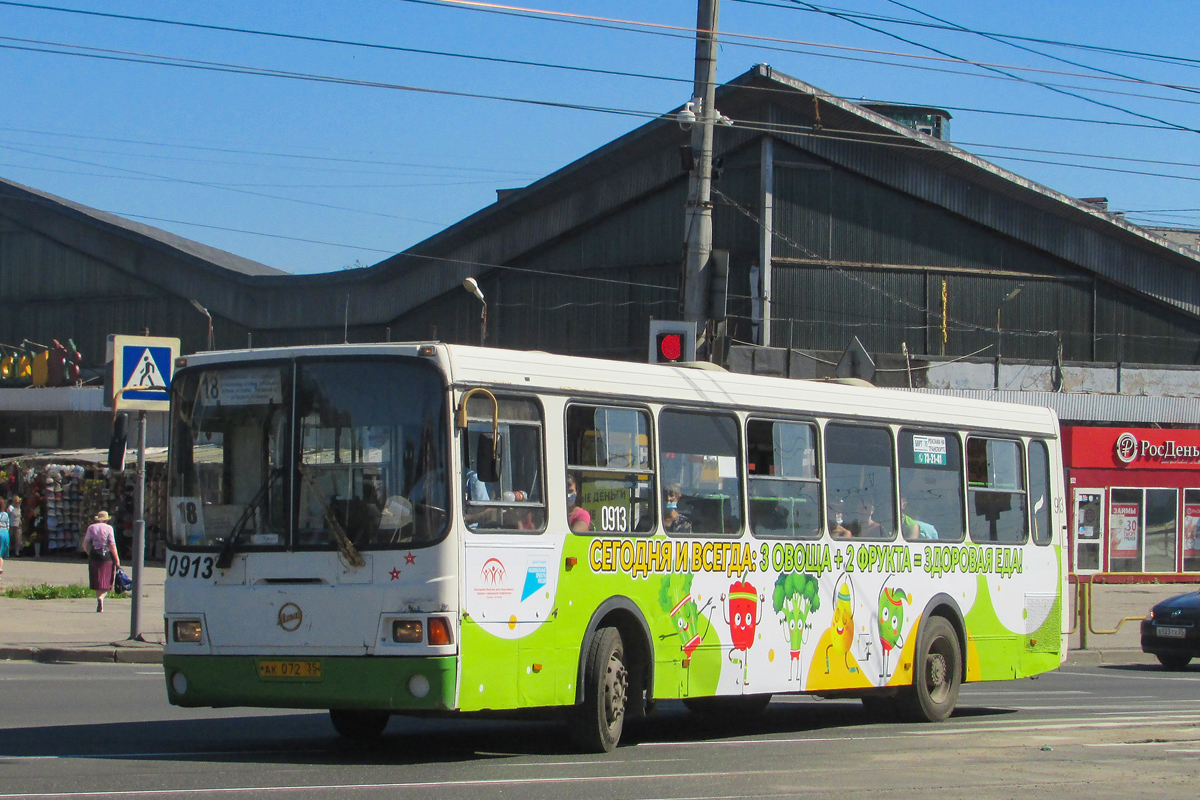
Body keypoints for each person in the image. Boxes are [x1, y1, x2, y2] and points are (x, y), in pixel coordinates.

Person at [83, 510, 120, 612]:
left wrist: (89, 552)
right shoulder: (109, 528)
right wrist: (117, 559)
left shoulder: (91, 528)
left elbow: (85, 544)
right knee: (106, 579)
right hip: (106, 556)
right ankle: (102, 598)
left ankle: (98, 598)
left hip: (94, 554)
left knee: (96, 579)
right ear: (107, 520)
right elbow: (112, 545)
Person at [0, 494, 9, 575]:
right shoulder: (6, 514)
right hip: (5, 532)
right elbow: (8, 526)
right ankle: (0, 567)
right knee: (1, 552)